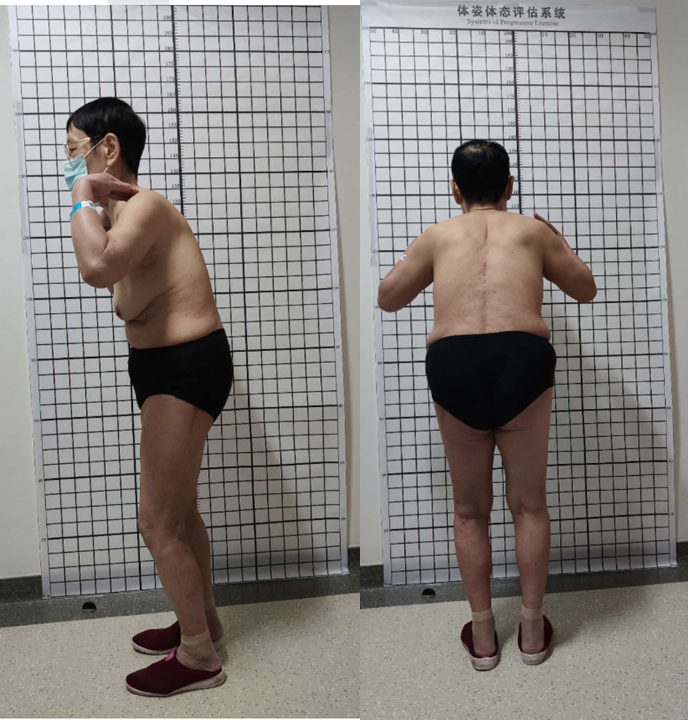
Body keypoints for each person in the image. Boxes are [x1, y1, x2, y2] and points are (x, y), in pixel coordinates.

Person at [377, 139, 597, 671]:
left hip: (455, 362)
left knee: (470, 509)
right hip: (523, 358)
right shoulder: (533, 232)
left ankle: (481, 636)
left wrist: (416, 257)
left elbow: (387, 297)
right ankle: (531, 631)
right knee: (530, 504)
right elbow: (585, 290)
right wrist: (562, 244)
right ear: (509, 188)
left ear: (455, 190)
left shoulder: (436, 235)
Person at [65, 97, 233, 696]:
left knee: (155, 520)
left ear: (108, 148)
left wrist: (82, 196)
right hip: (162, 366)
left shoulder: (148, 206)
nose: (70, 164)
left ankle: (198, 658)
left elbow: (96, 269)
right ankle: (203, 624)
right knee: (179, 511)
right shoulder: (122, 220)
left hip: (186, 366)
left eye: (74, 150)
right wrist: (92, 204)